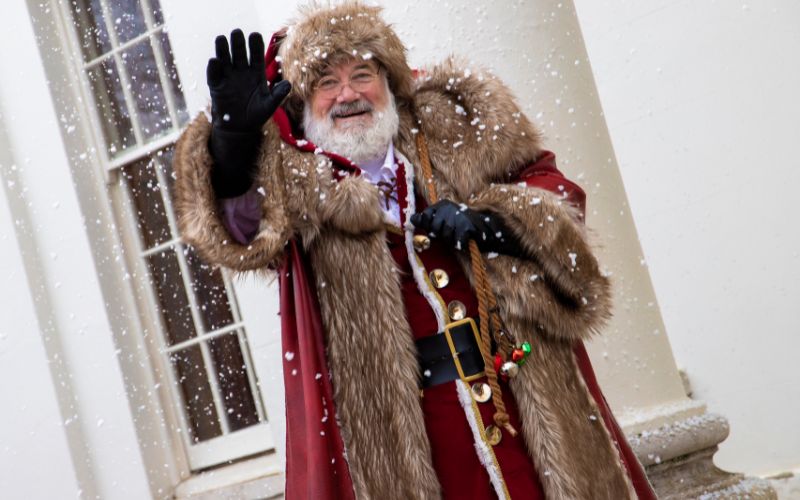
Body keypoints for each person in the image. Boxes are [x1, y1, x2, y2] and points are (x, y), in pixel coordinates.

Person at [173, 3, 657, 499]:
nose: (348, 95)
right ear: (306, 102)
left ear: (388, 81)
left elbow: (552, 189)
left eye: (362, 74)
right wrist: (232, 149)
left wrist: (491, 222)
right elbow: (243, 231)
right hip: (411, 437)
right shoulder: (298, 186)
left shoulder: (455, 131)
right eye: (326, 83)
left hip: (525, 401)